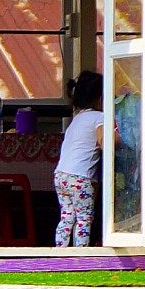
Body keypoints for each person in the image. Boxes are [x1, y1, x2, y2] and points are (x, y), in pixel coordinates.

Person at [54, 71, 104, 247]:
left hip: (61, 175)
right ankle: (81, 252)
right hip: (80, 178)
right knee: (84, 218)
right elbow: (104, 141)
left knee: (67, 216)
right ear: (100, 98)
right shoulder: (99, 117)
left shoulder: (78, 118)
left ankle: (60, 251)